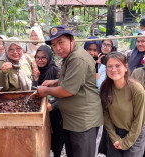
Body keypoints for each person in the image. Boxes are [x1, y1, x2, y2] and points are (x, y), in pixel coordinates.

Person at [37, 25, 103, 157]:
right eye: (54, 45)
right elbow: (73, 79)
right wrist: (54, 82)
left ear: (71, 39)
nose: (57, 48)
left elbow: (67, 90)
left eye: (61, 42)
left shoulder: (77, 58)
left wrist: (46, 91)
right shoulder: (70, 56)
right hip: (72, 121)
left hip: (83, 122)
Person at [100, 52, 145, 157]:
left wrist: (126, 142)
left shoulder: (137, 89)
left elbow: (139, 119)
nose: (114, 69)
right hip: (115, 133)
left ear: (126, 67)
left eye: (118, 66)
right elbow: (105, 113)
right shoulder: (105, 87)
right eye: (109, 66)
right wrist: (114, 138)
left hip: (135, 134)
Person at [32, 45, 64, 157]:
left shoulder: (55, 71)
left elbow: (63, 94)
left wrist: (52, 106)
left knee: (56, 141)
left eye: (43, 57)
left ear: (49, 58)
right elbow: (33, 94)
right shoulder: (36, 71)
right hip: (40, 112)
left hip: (55, 113)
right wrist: (35, 80)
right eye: (38, 57)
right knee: (42, 141)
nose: (40, 60)